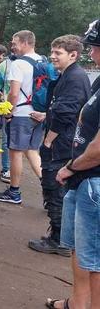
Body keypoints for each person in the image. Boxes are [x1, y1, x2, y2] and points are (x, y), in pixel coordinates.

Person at [47, 19, 100, 309]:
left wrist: (72, 166)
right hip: (82, 177)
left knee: (94, 260)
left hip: (92, 177)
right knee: (78, 249)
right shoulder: (98, 81)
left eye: (95, 47)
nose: (92, 53)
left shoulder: (80, 77)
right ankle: (77, 303)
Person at [27, 35, 90, 257]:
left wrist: (48, 140)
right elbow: (62, 108)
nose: (52, 56)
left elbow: (66, 112)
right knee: (56, 188)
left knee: (55, 188)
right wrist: (45, 115)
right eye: (52, 51)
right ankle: (59, 236)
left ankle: (59, 240)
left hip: (62, 144)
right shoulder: (68, 76)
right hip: (63, 139)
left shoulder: (75, 78)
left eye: (58, 53)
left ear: (73, 55)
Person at [0, 30, 44, 204]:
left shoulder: (18, 64)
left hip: (21, 113)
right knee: (32, 151)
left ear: (25, 43)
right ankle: (51, 189)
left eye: (15, 43)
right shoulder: (43, 61)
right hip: (37, 113)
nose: (12, 47)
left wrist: (9, 112)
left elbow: (13, 93)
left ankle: (14, 192)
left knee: (15, 153)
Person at [0, 48, 13, 183]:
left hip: (11, 108)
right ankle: (8, 169)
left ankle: (8, 170)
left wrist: (1, 96)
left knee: (8, 140)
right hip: (19, 109)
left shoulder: (5, 65)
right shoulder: (5, 65)